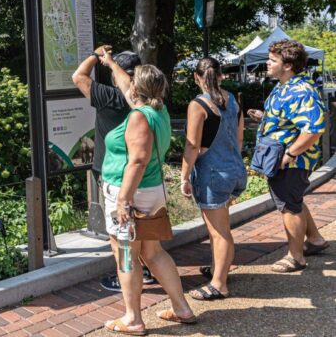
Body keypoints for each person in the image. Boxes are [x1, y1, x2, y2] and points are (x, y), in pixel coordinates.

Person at [98, 51, 195, 335]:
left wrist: (123, 201)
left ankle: (133, 319)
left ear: (137, 90)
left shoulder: (139, 117)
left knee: (126, 254)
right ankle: (182, 308)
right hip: (153, 192)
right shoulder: (158, 110)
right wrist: (110, 62)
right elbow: (124, 82)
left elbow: (137, 161)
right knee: (152, 252)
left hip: (130, 194)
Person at [72, 47, 157, 292]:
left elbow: (78, 76)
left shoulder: (107, 96)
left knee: (122, 236)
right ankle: (148, 270)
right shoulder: (151, 104)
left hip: (114, 175)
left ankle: (128, 282)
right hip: (146, 173)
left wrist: (95, 55)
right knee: (144, 231)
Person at [248, 40, 329, 273]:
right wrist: (265, 116)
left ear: (288, 65)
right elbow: (290, 117)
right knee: (293, 199)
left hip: (292, 159)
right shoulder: (286, 85)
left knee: (288, 206)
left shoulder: (301, 90)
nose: (267, 63)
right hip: (283, 155)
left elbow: (313, 130)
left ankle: (296, 257)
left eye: (273, 60)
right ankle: (314, 239)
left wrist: (289, 155)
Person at [180, 57, 247, 300]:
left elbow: (192, 146)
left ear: (196, 77)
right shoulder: (232, 99)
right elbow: (239, 140)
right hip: (235, 170)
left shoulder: (198, 105)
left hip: (213, 174)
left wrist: (184, 177)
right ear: (220, 75)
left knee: (219, 232)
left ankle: (219, 284)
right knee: (219, 228)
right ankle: (218, 269)